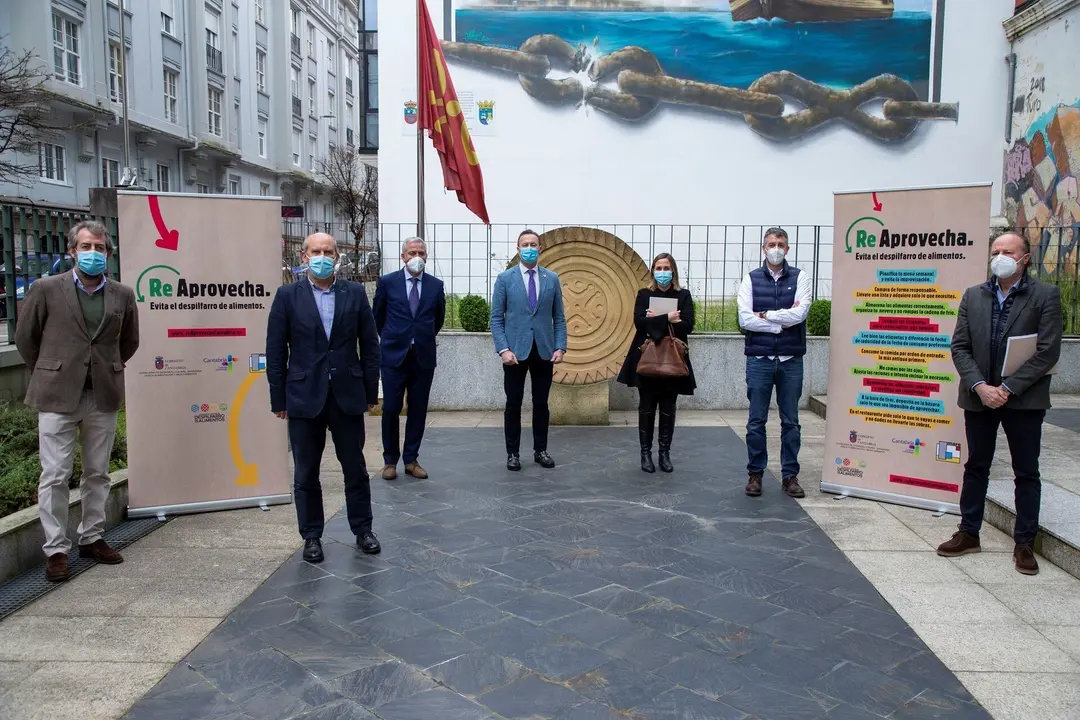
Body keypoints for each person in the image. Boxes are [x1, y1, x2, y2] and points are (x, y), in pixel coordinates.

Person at [15, 221, 140, 582]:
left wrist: (108, 368)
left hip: (102, 394)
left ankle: (92, 536)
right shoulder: (45, 289)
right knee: (55, 475)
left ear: (109, 254)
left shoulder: (121, 295)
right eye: (86, 246)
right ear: (72, 251)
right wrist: (53, 369)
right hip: (57, 395)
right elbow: (26, 339)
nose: (93, 253)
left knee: (97, 472)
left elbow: (129, 341)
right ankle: (56, 549)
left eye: (100, 248)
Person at [937, 231, 1062, 576]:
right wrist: (980, 386)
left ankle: (1024, 542)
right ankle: (968, 533)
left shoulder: (1045, 296)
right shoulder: (974, 296)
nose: (1000, 256)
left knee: (1026, 471)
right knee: (976, 466)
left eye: (1008, 251)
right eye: (995, 251)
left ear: (1025, 257)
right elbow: (959, 347)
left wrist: (1006, 388)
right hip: (979, 398)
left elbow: (1047, 352)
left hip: (1023, 400)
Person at [266, 232, 382, 563]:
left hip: (347, 394)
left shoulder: (355, 293)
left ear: (337, 258)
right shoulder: (287, 296)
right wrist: (279, 400)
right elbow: (275, 351)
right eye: (316, 251)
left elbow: (369, 346)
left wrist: (370, 392)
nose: (322, 256)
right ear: (304, 257)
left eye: (328, 251)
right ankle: (312, 536)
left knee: (355, 467)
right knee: (305, 471)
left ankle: (363, 530)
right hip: (304, 396)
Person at [737, 227, 812, 499]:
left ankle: (790, 475)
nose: (776, 248)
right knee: (756, 421)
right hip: (760, 359)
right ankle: (755, 474)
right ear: (763, 248)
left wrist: (767, 315)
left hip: (791, 360)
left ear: (787, 248)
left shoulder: (801, 277)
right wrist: (777, 327)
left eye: (780, 243)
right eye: (771, 243)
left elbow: (800, 313)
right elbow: (745, 319)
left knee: (791, 422)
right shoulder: (751, 279)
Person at [490, 229, 567, 471]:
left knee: (541, 404)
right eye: (525, 244)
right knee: (513, 403)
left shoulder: (551, 279)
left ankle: (540, 450)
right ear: (518, 249)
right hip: (514, 352)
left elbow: (559, 317)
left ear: (540, 248)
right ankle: (512, 453)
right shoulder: (505, 279)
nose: (530, 248)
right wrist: (503, 349)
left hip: (543, 350)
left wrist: (560, 346)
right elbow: (496, 318)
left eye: (534, 244)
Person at [372, 237, 446, 481]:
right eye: (412, 252)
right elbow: (378, 317)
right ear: (403, 257)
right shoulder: (387, 282)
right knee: (391, 408)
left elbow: (438, 319)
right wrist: (395, 338)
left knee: (418, 409)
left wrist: (420, 337)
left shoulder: (436, 285)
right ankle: (389, 460)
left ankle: (411, 459)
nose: (417, 256)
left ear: (426, 256)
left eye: (421, 252)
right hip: (394, 356)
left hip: (422, 357)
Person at [617, 253, 696, 473]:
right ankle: (645, 454)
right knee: (646, 408)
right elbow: (639, 323)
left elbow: (688, 326)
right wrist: (668, 319)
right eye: (659, 268)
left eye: (666, 267)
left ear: (674, 271)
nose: (663, 272)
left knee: (669, 408)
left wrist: (657, 320)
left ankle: (664, 453)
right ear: (653, 271)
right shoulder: (644, 294)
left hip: (673, 361)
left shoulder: (684, 295)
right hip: (647, 358)